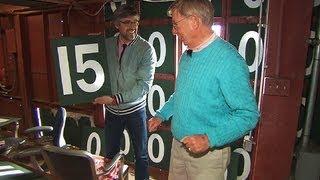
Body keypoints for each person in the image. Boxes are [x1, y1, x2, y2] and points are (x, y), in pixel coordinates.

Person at [148, 0, 259, 179]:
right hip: (179, 146)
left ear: (194, 21)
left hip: (208, 156)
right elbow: (182, 94)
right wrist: (162, 114)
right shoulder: (187, 55)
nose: (173, 31)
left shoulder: (229, 61)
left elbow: (248, 115)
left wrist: (209, 139)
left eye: (176, 24)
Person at [94, 4, 156, 180]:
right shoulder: (105, 45)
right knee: (111, 155)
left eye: (135, 22)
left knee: (141, 156)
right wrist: (92, 92)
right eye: (127, 22)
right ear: (116, 25)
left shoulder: (146, 49)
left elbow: (144, 86)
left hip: (136, 111)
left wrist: (115, 99)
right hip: (113, 112)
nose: (133, 26)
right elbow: (97, 73)